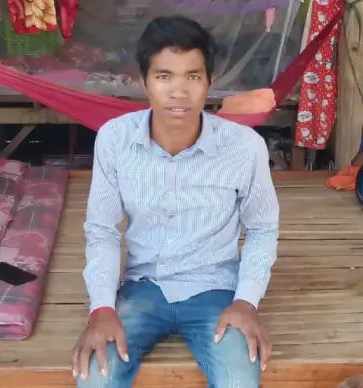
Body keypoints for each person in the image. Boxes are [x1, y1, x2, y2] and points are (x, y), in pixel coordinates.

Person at [72, 15, 279, 388]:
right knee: (95, 378)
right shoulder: (115, 140)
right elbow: (101, 230)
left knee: (240, 381)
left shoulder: (244, 148)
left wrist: (246, 302)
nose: (179, 91)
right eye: (164, 76)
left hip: (215, 290)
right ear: (144, 82)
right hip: (141, 287)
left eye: (193, 76)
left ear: (210, 83)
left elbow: (263, 228)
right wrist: (101, 308)